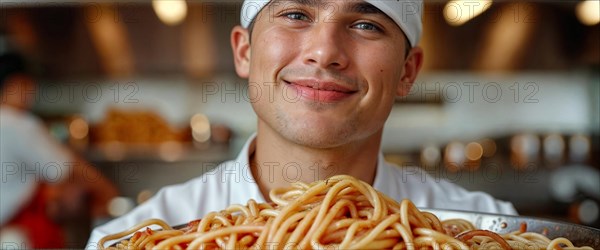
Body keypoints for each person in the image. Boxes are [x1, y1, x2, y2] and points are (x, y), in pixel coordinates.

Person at [88, 0, 517, 247]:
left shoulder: (486, 229)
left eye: (366, 24)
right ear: (243, 52)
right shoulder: (136, 238)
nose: (324, 51)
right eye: (296, 14)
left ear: (408, 71)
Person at [0, 52, 119, 248]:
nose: (32, 94)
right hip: (12, 236)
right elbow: (68, 166)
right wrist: (107, 192)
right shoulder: (17, 123)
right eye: (30, 86)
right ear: (17, 84)